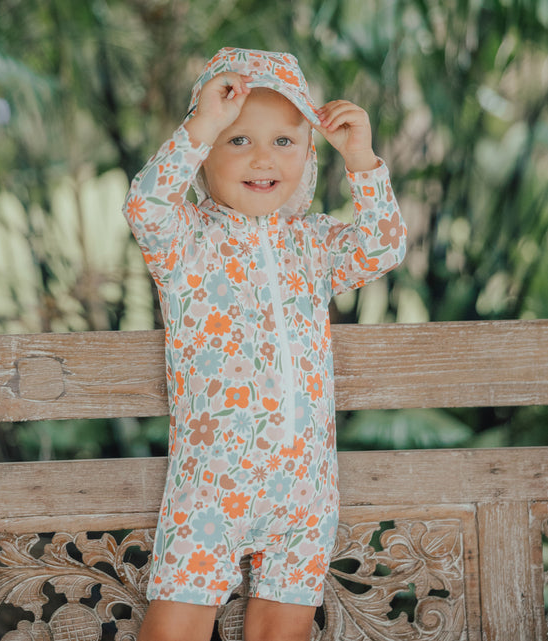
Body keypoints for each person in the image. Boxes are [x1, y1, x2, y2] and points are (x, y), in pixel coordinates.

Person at [123, 47, 407, 641]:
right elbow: (144, 203)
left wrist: (361, 159)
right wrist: (200, 122)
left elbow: (383, 246)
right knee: (175, 629)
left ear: (308, 151)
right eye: (235, 139)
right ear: (203, 157)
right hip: (212, 487)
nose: (261, 158)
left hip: (305, 491)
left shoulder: (315, 243)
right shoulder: (185, 243)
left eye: (284, 141)